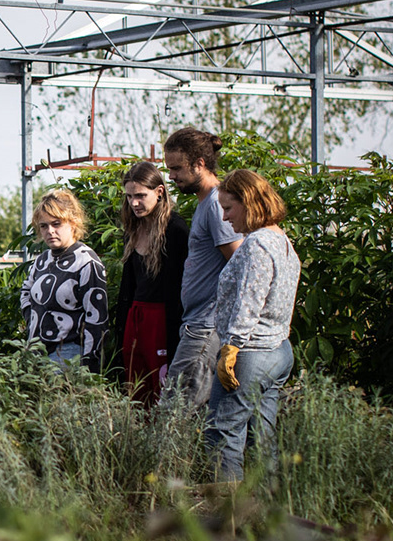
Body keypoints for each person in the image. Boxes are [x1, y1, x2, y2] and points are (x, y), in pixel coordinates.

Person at [206, 169, 301, 482]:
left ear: (249, 203)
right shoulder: (282, 240)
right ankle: (268, 510)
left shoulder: (257, 245)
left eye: (229, 208)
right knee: (263, 436)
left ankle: (228, 516)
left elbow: (250, 300)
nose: (225, 217)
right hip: (278, 350)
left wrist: (231, 346)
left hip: (250, 353)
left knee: (224, 433)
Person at [165, 127, 242, 407]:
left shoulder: (215, 205)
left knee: (176, 409)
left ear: (199, 164)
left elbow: (239, 262)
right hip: (198, 321)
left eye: (176, 168)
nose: (172, 176)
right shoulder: (205, 204)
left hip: (206, 324)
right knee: (196, 411)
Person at [111, 160, 188, 406]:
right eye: (129, 196)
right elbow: (129, 284)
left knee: (163, 389)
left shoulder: (175, 229)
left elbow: (182, 284)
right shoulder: (132, 229)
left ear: (159, 192)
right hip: (136, 316)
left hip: (163, 318)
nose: (134, 203)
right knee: (136, 390)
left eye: (141, 195)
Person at [21, 189, 107, 371]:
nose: (50, 231)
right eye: (44, 226)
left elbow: (97, 319)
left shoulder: (86, 262)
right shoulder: (42, 260)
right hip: (36, 350)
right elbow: (26, 292)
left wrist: (90, 365)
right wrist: (33, 323)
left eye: (56, 224)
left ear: (73, 223)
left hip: (68, 351)